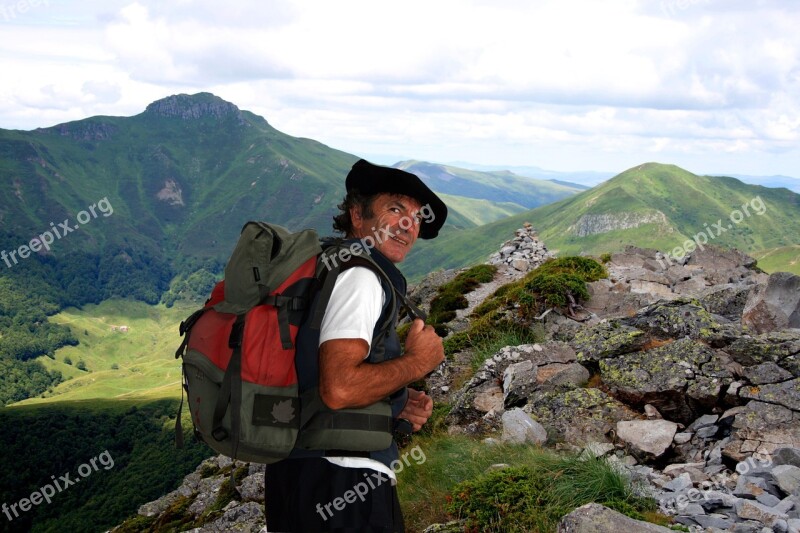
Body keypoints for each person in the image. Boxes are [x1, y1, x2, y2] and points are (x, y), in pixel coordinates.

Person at [264, 159, 448, 532]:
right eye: (395, 209)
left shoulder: (330, 266)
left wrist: (392, 402)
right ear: (357, 215)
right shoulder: (362, 277)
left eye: (416, 217)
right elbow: (340, 387)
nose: (408, 225)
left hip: (301, 472)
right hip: (343, 479)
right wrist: (417, 361)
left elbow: (320, 376)